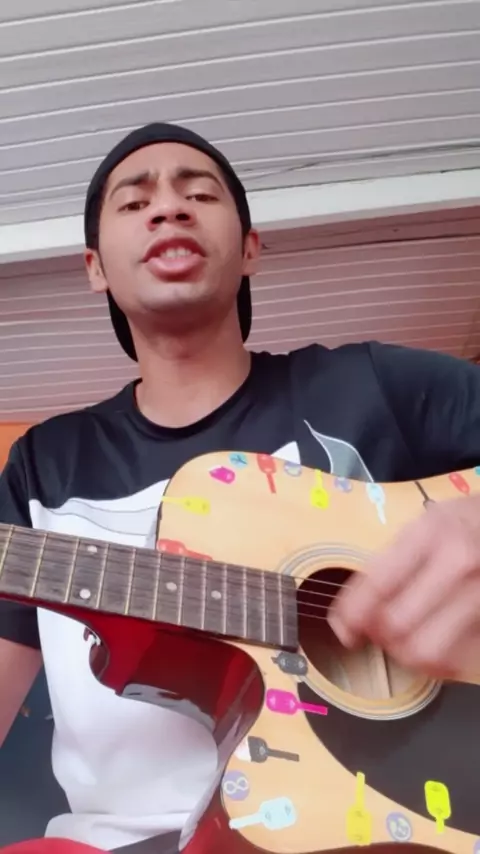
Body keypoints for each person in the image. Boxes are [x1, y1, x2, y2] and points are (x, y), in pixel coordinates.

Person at [1, 122, 480, 854]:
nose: (169, 207)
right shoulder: (42, 467)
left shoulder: (374, 385)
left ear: (251, 247)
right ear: (95, 268)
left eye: (199, 194)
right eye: (135, 203)